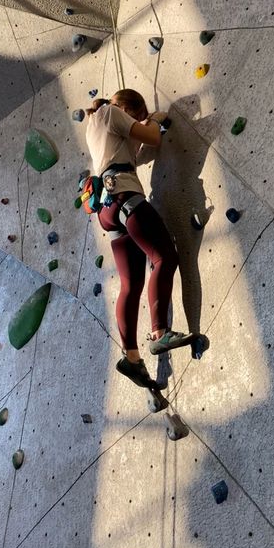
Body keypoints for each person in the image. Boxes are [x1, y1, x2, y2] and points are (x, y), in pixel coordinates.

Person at [85, 89, 194, 389]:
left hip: (108, 210)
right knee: (164, 258)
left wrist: (145, 127)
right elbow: (153, 139)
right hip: (126, 198)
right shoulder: (110, 112)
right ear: (128, 109)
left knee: (130, 285)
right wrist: (155, 121)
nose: (139, 121)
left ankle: (131, 357)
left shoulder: (96, 127)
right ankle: (160, 333)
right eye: (138, 116)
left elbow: (134, 151)